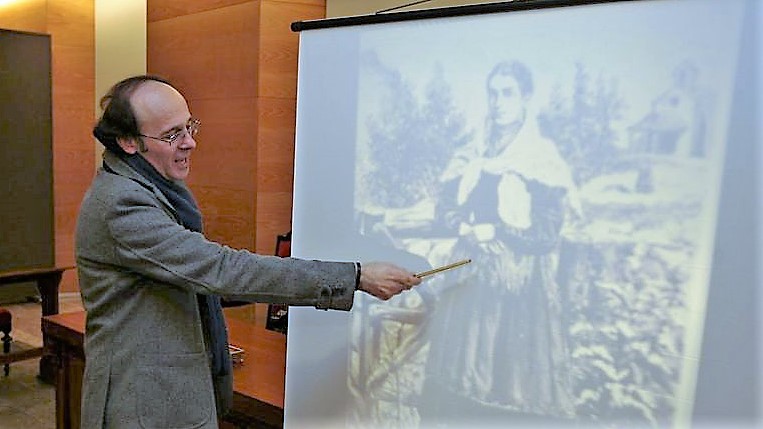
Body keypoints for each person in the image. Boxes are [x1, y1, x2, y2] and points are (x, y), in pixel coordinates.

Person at [75, 75, 421, 429]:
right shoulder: (122, 205)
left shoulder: (153, 188)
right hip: (143, 405)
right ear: (128, 141)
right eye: (171, 135)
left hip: (165, 396)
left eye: (189, 126)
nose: (190, 142)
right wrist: (355, 277)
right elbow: (222, 270)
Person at [413, 60, 580, 425]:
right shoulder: (474, 153)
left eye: (508, 93)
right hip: (468, 282)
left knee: (507, 383)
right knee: (456, 381)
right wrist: (466, 228)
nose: (498, 102)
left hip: (518, 293)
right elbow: (445, 209)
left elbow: (547, 235)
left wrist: (500, 233)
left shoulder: (541, 160)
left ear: (526, 98)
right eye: (493, 93)